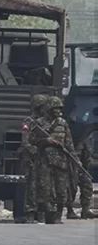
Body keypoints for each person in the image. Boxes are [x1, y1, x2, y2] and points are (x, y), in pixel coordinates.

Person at [35, 96, 74, 224]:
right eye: (55, 108)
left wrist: (75, 158)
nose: (57, 110)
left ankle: (58, 215)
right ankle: (49, 215)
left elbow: (69, 143)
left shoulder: (63, 123)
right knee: (46, 189)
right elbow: (32, 140)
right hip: (45, 161)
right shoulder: (40, 123)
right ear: (49, 109)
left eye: (59, 108)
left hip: (60, 161)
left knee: (61, 190)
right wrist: (45, 141)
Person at [17, 94, 48, 223]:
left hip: (43, 158)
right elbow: (26, 142)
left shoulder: (47, 121)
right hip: (30, 158)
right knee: (30, 184)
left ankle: (41, 212)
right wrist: (35, 151)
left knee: (43, 185)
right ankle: (30, 211)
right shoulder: (29, 121)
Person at [70, 127, 96, 219]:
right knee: (72, 188)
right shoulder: (82, 138)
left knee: (87, 187)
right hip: (75, 167)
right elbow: (77, 153)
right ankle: (70, 211)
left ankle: (85, 210)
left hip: (84, 168)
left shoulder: (91, 138)